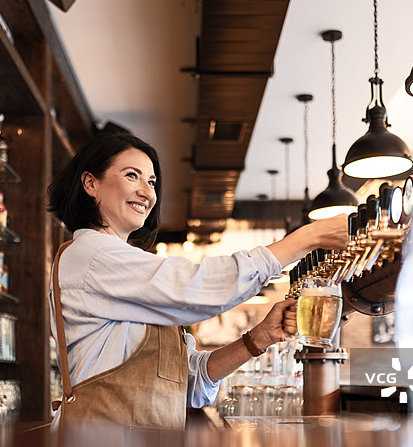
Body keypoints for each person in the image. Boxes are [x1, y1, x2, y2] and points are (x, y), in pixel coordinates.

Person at [48, 132, 348, 429]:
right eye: (132, 176)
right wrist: (310, 236)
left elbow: (191, 380)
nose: (148, 192)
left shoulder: (123, 265)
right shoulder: (90, 255)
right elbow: (196, 286)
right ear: (91, 183)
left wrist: (259, 338)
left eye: (151, 182)